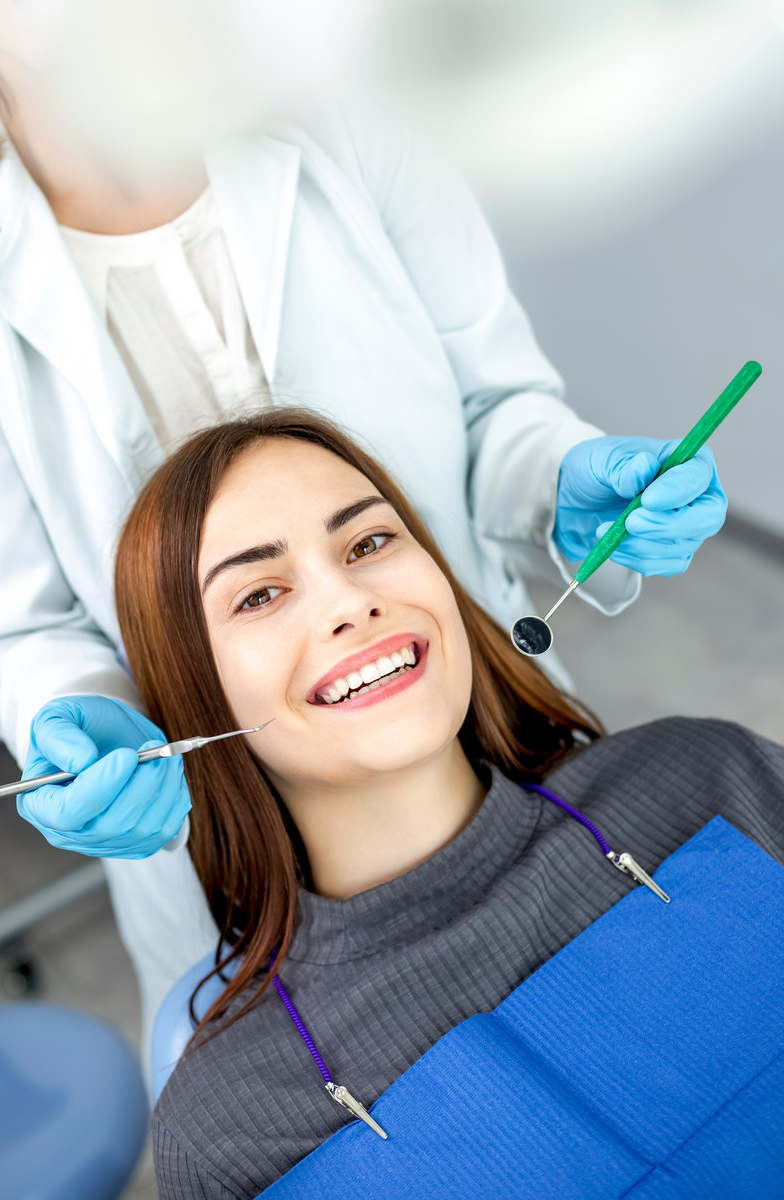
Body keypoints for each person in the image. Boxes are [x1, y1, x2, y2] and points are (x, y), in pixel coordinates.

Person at [0, 1, 728, 1043]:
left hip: (472, 730)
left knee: (634, 1020)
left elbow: (493, 405)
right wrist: (76, 718)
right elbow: (20, 629)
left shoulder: (355, 123)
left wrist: (556, 477)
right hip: (230, 846)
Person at [111, 408, 784, 1199]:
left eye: (367, 544)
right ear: (199, 706)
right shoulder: (230, 1122)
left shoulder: (704, 779)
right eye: (260, 594)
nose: (350, 603)